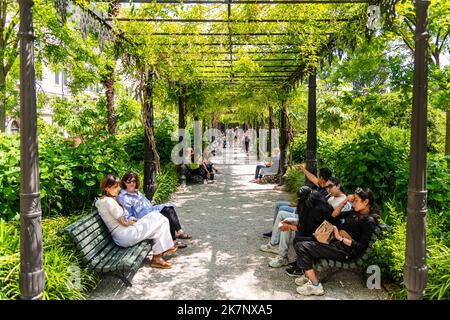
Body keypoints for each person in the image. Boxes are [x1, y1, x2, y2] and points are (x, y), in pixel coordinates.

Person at [293, 187, 380, 296]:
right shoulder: (355, 212)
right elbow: (334, 216)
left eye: (356, 200)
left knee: (302, 246)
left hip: (345, 251)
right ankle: (308, 276)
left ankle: (315, 286)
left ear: (366, 202)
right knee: (297, 240)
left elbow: (361, 247)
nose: (353, 203)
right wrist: (345, 201)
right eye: (354, 200)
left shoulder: (368, 221)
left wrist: (340, 238)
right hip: (336, 244)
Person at [95, 174, 175, 269]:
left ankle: (158, 257)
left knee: (158, 219)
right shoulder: (108, 202)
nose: (119, 189)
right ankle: (161, 253)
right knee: (160, 219)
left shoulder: (103, 200)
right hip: (124, 235)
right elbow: (124, 222)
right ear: (106, 188)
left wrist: (137, 221)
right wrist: (135, 222)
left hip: (124, 233)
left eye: (118, 186)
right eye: (115, 187)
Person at [260, 186, 332, 268]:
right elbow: (306, 224)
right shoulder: (316, 204)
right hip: (315, 231)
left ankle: (283, 257)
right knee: (286, 221)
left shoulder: (315, 210)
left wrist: (290, 226)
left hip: (320, 237)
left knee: (287, 227)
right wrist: (289, 223)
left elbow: (307, 229)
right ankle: (281, 255)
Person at [117, 172, 192, 249]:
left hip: (151, 210)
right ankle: (174, 240)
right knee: (166, 213)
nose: (131, 184)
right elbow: (128, 215)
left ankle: (179, 232)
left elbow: (147, 203)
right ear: (124, 182)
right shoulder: (123, 197)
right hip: (144, 218)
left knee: (169, 208)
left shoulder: (137, 192)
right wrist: (136, 220)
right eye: (129, 182)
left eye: (133, 181)